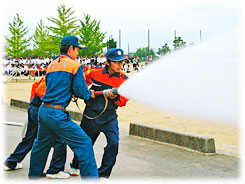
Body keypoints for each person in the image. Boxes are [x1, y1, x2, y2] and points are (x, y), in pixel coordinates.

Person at [28, 35, 98, 179]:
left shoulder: (52, 65)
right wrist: (89, 94)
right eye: (77, 49)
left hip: (44, 111)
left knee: (40, 147)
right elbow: (81, 92)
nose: (78, 53)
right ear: (71, 48)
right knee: (85, 143)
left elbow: (53, 87)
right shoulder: (75, 66)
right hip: (57, 114)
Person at [70, 48, 129, 178]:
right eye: (117, 62)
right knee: (85, 142)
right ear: (108, 62)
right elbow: (81, 84)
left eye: (122, 62)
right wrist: (80, 92)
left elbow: (123, 101)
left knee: (114, 143)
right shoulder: (94, 73)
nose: (120, 65)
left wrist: (116, 98)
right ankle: (76, 164)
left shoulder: (124, 79)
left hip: (109, 117)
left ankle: (103, 174)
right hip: (91, 115)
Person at [4, 76, 69, 179]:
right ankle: (55, 170)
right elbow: (44, 94)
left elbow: (35, 88)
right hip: (44, 110)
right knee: (60, 139)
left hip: (34, 108)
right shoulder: (54, 79)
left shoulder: (45, 78)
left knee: (30, 137)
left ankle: (11, 162)